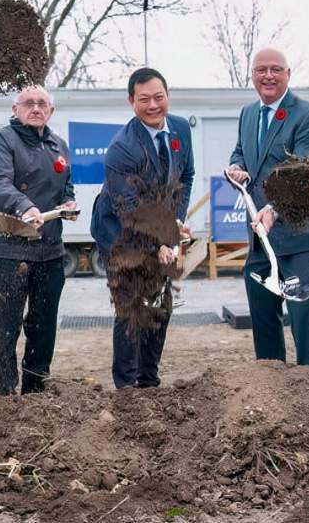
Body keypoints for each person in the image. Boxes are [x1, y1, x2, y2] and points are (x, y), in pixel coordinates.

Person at [225, 48, 309, 366]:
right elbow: (241, 152)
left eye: (275, 69)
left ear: (288, 74)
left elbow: (306, 170)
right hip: (261, 235)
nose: (268, 76)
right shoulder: (247, 114)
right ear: (252, 76)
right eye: (261, 70)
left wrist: (273, 208)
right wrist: (236, 166)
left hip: (301, 234)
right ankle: (271, 382)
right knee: (262, 311)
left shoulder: (308, 115)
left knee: (302, 315)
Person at [90, 67, 194, 389]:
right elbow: (128, 208)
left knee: (159, 305)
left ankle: (149, 380)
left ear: (168, 96)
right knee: (132, 310)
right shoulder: (122, 148)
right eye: (144, 99)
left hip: (157, 225)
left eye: (158, 97)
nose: (153, 106)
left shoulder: (179, 129)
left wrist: (174, 223)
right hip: (120, 233)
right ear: (131, 102)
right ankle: (126, 387)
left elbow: (185, 177)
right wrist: (157, 243)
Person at [0, 86, 77, 395]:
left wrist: (68, 206)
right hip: (8, 248)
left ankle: (36, 393)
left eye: (42, 104)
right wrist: (25, 206)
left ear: (50, 111)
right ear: (15, 109)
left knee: (43, 328)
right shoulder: (2, 140)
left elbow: (66, 188)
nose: (36, 108)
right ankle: (1, 397)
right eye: (29, 103)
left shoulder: (58, 144)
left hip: (49, 251)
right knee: (6, 328)